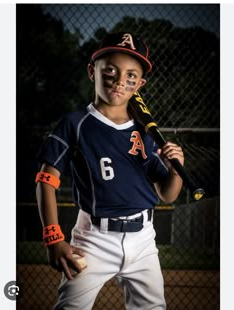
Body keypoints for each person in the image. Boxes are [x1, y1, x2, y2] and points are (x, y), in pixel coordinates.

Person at [36, 32, 184, 310]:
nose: (119, 81)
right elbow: (46, 180)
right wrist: (53, 238)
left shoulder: (145, 132)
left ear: (139, 84)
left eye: (130, 76)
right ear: (93, 71)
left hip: (143, 240)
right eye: (111, 70)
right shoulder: (76, 123)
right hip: (93, 238)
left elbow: (166, 194)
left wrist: (176, 170)